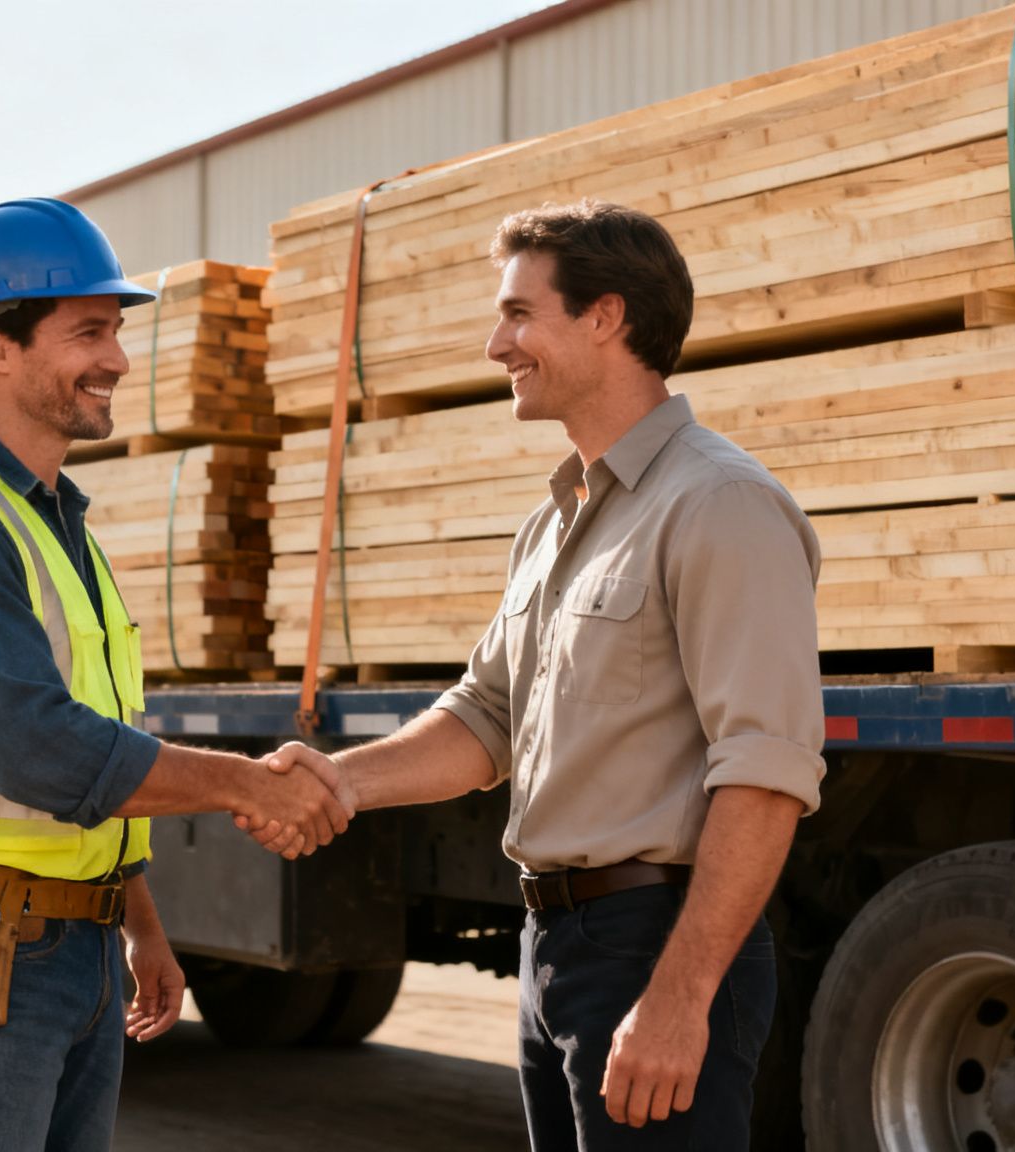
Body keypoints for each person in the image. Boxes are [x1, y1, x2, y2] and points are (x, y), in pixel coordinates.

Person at [259, 199, 825, 1149]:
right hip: (556, 950)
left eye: (520, 313)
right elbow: (486, 719)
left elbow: (766, 771)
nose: (496, 343)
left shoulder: (719, 504)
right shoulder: (555, 520)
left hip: (658, 945)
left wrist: (680, 999)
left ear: (605, 317)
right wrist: (338, 782)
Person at [0, 197, 350, 1151]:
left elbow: (101, 740)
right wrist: (248, 784)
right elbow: (41, 752)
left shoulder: (52, 522)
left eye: (115, 331)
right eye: (88, 332)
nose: (117, 357)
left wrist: (136, 922)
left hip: (71, 947)